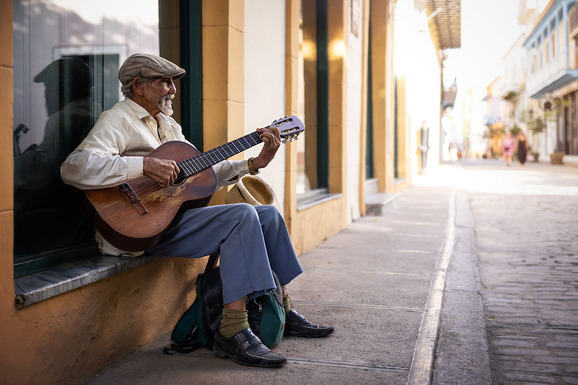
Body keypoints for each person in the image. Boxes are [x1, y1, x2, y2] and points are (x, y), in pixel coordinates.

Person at [60, 53, 333, 368]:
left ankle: (281, 305)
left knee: (267, 215)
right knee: (241, 215)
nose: (173, 90)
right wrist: (143, 165)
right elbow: (74, 168)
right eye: (165, 82)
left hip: (171, 220)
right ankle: (232, 329)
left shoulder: (168, 125)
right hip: (139, 231)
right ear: (138, 85)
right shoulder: (118, 119)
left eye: (173, 82)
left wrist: (253, 163)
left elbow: (201, 176)